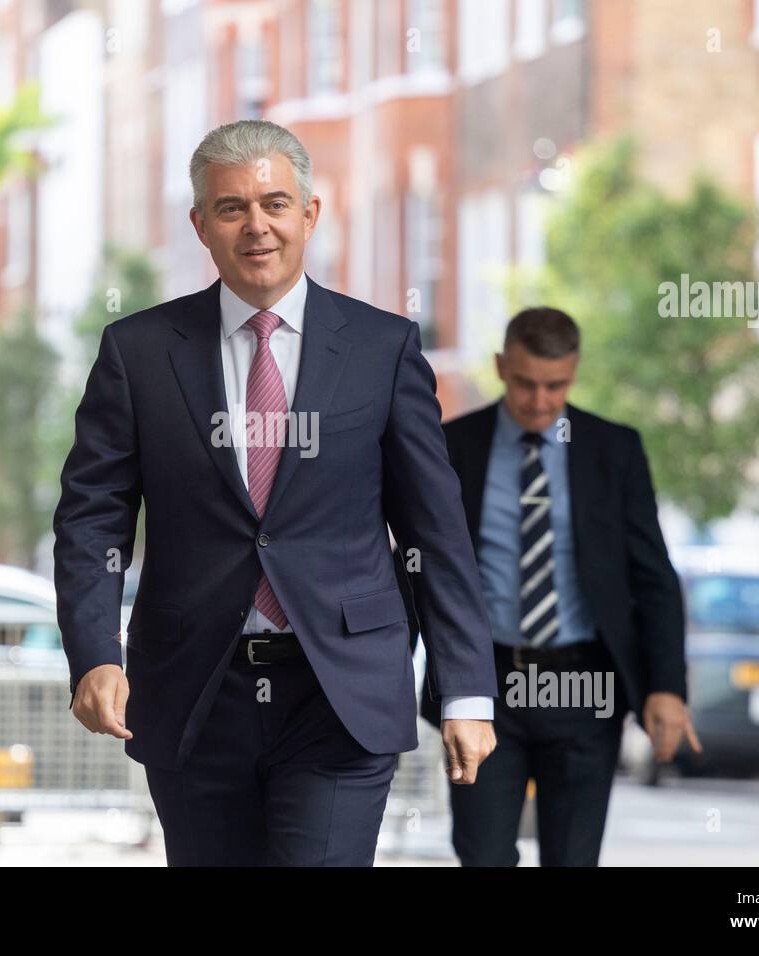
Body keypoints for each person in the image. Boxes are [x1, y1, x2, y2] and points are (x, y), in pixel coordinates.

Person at [52, 119, 498, 866]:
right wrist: (95, 653)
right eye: (231, 208)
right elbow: (93, 518)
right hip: (195, 691)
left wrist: (467, 692)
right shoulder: (137, 354)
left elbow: (433, 531)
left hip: (340, 695)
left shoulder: (382, 349)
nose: (256, 225)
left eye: (275, 203)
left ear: (310, 214)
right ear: (201, 225)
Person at [418, 306, 700, 866]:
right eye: (526, 383)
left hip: (585, 684)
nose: (541, 401)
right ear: (501, 367)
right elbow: (419, 566)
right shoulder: (452, 448)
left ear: (573, 373)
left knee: (572, 858)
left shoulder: (613, 450)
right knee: (482, 855)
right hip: (486, 684)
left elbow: (654, 577)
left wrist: (667, 686)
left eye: (556, 385)